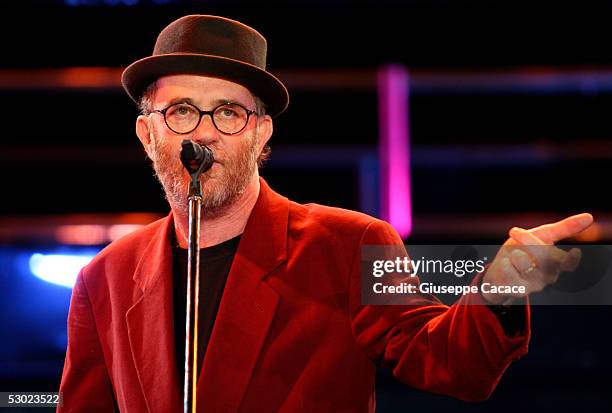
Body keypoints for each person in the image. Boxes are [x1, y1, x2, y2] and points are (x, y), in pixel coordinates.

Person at [57, 14, 594, 412]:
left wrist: (498, 287)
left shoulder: (349, 244)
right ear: (147, 132)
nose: (202, 132)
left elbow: (449, 363)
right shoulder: (104, 277)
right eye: (179, 112)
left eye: (228, 112)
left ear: (261, 132)